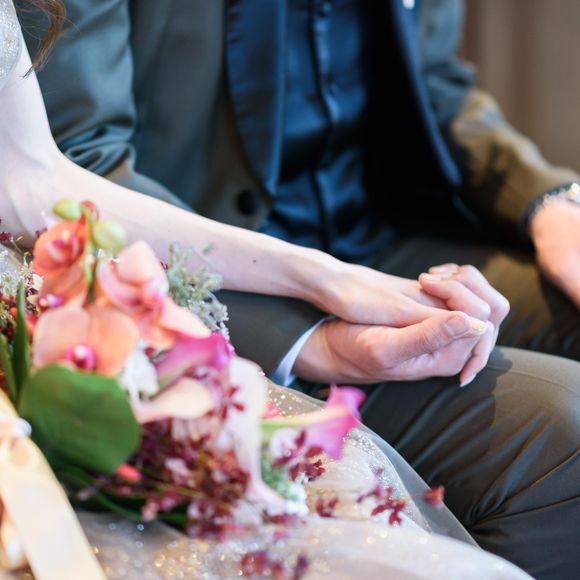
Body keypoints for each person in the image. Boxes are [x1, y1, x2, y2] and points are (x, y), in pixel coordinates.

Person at [6, 0, 580, 578]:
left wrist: (551, 204)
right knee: (562, 424)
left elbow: (435, 82)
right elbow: (81, 162)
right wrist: (311, 315)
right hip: (214, 279)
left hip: (388, 235)